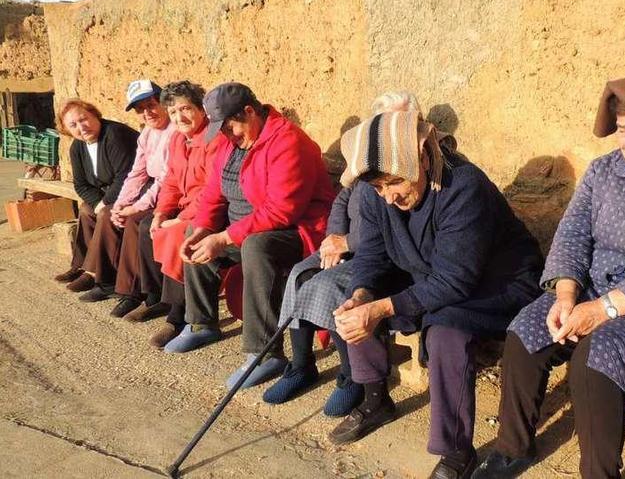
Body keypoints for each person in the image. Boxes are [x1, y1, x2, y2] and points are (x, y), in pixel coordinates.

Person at [473, 75, 625, 479]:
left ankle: (599, 473)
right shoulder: (602, 170)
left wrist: (604, 310)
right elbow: (573, 232)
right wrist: (566, 296)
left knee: (596, 358)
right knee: (525, 331)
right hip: (592, 286)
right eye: (623, 130)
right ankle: (513, 447)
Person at [327, 110, 544, 479]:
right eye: (380, 188)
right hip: (430, 272)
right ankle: (375, 400)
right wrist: (364, 295)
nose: (389, 196)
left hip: (498, 285)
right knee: (355, 299)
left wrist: (382, 307)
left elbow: (455, 281)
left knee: (445, 330)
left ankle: (457, 451)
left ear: (422, 157)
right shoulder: (374, 192)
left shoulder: (465, 187)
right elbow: (373, 256)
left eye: (394, 182)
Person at [263, 91, 431, 418]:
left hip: (369, 251)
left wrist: (349, 244)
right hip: (346, 244)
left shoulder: (410, 170)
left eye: (396, 121)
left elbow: (388, 229)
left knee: (329, 288)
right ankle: (301, 365)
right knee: (300, 274)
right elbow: (342, 200)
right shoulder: (371, 159)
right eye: (381, 122)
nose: (387, 129)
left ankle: (350, 375)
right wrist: (333, 237)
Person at [162, 83, 335, 392]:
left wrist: (224, 238)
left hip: (295, 231)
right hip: (244, 225)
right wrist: (203, 229)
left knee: (256, 246)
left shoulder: (288, 142)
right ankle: (202, 322)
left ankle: (265, 352)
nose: (228, 134)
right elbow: (213, 195)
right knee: (194, 233)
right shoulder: (231, 143)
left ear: (250, 112)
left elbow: (282, 211)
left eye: (230, 126)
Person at [126, 81, 219, 349]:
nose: (180, 117)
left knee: (179, 234)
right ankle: (157, 298)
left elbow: (213, 189)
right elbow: (172, 181)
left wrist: (180, 218)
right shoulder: (179, 138)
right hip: (188, 207)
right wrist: (162, 212)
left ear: (201, 108)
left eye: (186, 109)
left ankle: (178, 316)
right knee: (147, 227)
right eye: (174, 111)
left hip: (213, 210)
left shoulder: (214, 138)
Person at [98, 80, 176, 313]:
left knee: (138, 221)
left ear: (164, 102)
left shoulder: (175, 131)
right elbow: (137, 172)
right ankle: (123, 288)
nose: (147, 113)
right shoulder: (147, 134)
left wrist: (137, 206)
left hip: (171, 189)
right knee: (114, 213)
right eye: (140, 109)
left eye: (151, 105)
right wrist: (121, 203)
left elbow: (167, 177)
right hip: (154, 187)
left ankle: (145, 292)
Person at [53, 99, 138, 295]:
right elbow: (80, 184)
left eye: (84, 119)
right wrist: (97, 202)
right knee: (85, 209)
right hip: (107, 193)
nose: (82, 127)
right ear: (67, 129)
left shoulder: (115, 134)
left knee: (105, 213)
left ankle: (95, 273)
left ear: (94, 114)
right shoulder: (78, 147)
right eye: (73, 125)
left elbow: (125, 175)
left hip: (132, 190)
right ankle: (81, 265)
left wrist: (105, 202)